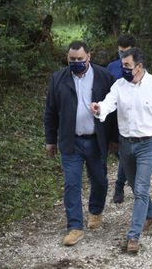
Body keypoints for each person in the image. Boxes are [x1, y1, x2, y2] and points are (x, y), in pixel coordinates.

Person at [90, 48, 152, 253]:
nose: (124, 69)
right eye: (123, 66)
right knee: (134, 184)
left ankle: (133, 236)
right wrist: (99, 108)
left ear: (139, 66)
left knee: (142, 188)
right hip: (125, 143)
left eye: (127, 66)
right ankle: (151, 215)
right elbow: (109, 103)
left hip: (148, 143)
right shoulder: (119, 85)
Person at [44, 40, 118, 246]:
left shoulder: (104, 76)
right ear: (67, 58)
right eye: (72, 59)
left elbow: (113, 110)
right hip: (71, 141)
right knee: (71, 184)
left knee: (100, 180)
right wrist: (50, 140)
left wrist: (114, 138)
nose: (76, 62)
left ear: (89, 57)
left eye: (80, 59)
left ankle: (95, 210)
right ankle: (75, 227)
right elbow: (50, 111)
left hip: (96, 140)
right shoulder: (58, 79)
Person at [106, 34, 136, 204]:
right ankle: (125, 183)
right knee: (121, 154)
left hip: (132, 118)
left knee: (126, 155)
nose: (122, 55)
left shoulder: (139, 66)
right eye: (120, 52)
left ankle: (119, 186)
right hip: (113, 117)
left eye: (126, 52)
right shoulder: (111, 67)